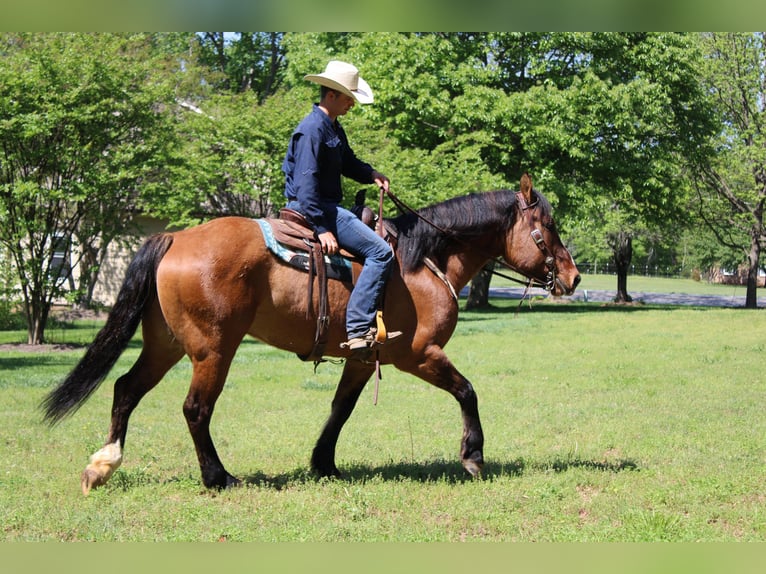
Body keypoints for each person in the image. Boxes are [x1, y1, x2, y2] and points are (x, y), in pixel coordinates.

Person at [282, 60, 397, 354]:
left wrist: (372, 174)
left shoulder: (332, 127)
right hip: (318, 208)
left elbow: (347, 162)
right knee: (382, 253)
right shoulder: (312, 130)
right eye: (349, 98)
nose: (352, 104)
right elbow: (306, 185)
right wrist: (321, 228)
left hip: (325, 206)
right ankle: (358, 328)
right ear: (331, 94)